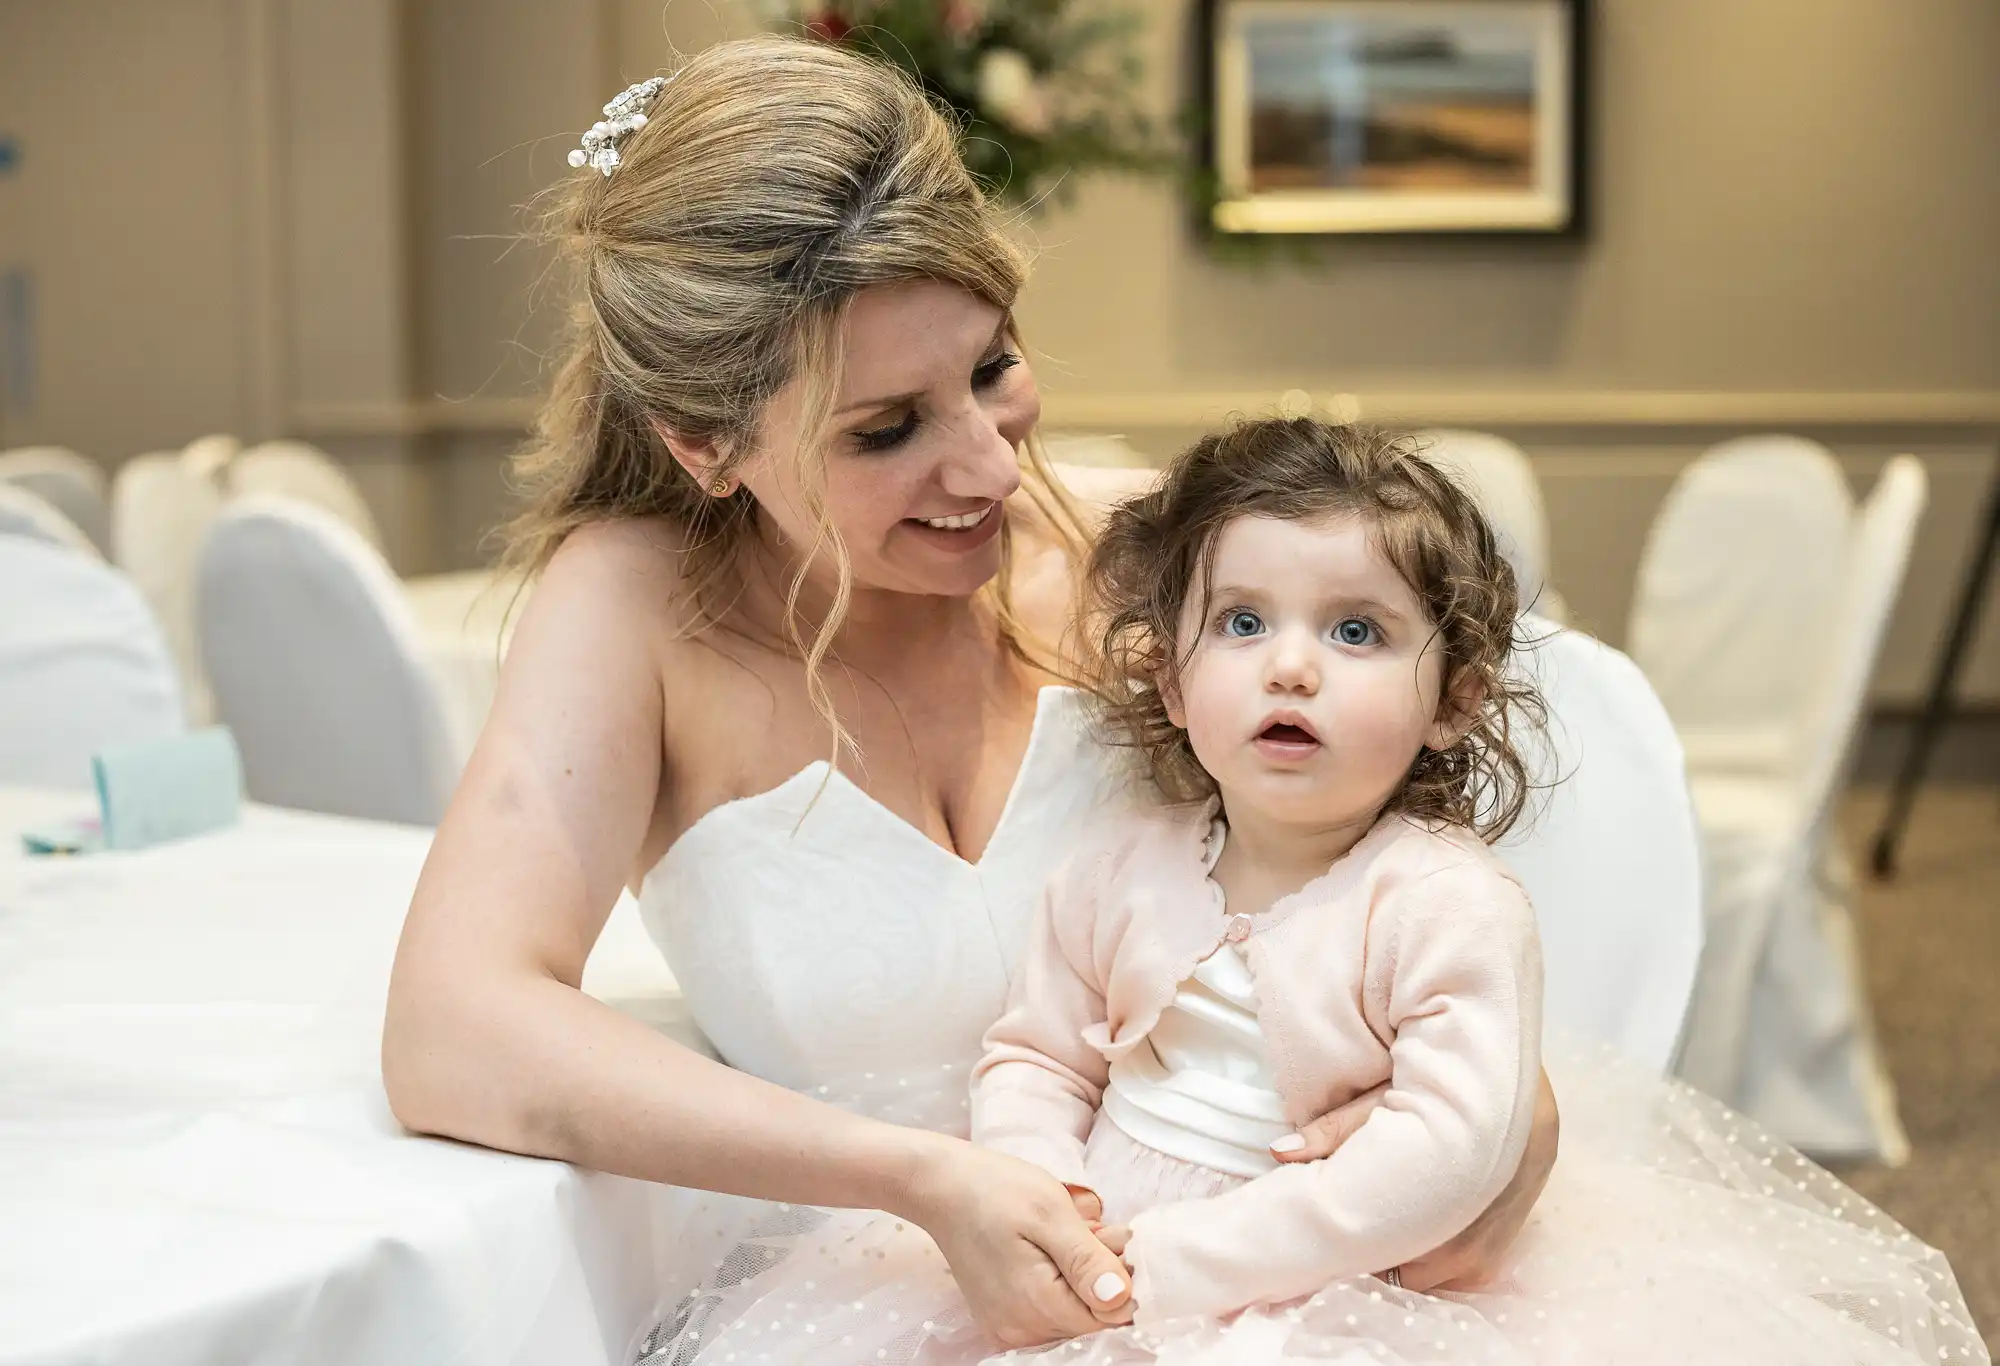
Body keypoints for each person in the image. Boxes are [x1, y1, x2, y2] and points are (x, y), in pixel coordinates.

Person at [381, 34, 1558, 1353]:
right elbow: (453, 1026)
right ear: (706, 442)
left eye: (993, 370)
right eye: (886, 429)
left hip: (1264, 1285)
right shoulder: (633, 609)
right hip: (868, 1302)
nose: (991, 470)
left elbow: (1401, 881)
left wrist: (1512, 1115)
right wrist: (916, 1174)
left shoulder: (1154, 566)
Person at [631, 421, 1987, 1366]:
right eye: (1243, 624)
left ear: (1453, 701)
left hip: (1339, 1281)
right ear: (1169, 680)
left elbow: (1444, 1150)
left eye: (1355, 632)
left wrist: (1188, 1266)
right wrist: (1043, 1188)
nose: (1291, 667)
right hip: (1101, 1259)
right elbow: (1038, 1050)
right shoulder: (1122, 861)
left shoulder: (1440, 899)